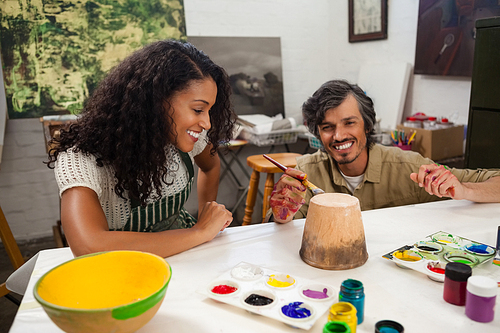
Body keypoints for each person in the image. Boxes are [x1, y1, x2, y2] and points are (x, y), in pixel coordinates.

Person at [46, 40, 236, 257]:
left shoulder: (186, 139)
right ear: (156, 102)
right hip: (124, 266)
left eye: (209, 111)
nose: (207, 123)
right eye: (198, 109)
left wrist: (206, 215)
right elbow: (89, 246)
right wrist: (200, 231)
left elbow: (211, 166)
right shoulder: (80, 158)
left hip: (184, 253)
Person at [270, 79, 500, 223]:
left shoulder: (408, 167)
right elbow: (277, 230)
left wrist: (463, 190)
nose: (338, 136)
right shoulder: (304, 173)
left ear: (368, 125)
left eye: (349, 123)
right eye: (327, 128)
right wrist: (282, 214)